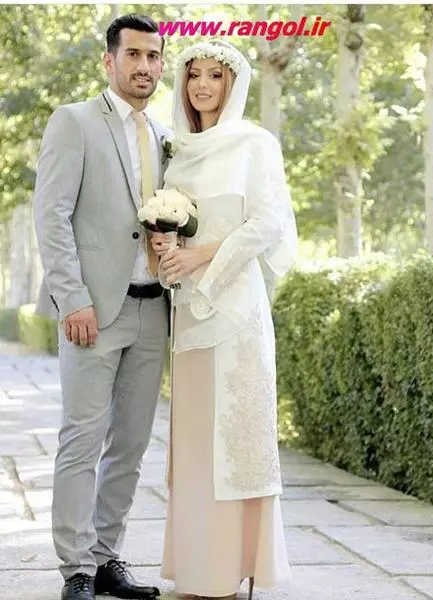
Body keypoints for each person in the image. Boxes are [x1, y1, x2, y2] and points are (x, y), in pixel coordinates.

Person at [151, 40, 298, 600]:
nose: (202, 85)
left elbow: (269, 223)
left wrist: (201, 258)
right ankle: (199, 571)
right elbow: (172, 231)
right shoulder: (178, 153)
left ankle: (238, 566)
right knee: (193, 442)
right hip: (189, 313)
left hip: (237, 312)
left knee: (237, 436)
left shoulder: (254, 144)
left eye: (215, 75)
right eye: (194, 75)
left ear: (233, 84)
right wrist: (168, 253)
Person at [33, 14, 170, 600]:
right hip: (93, 311)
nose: (144, 66)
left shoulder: (164, 133)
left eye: (153, 56)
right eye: (133, 54)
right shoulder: (74, 121)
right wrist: (73, 300)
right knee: (82, 441)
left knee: (131, 446)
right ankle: (77, 569)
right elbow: (52, 216)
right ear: (109, 61)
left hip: (153, 310)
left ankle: (107, 556)